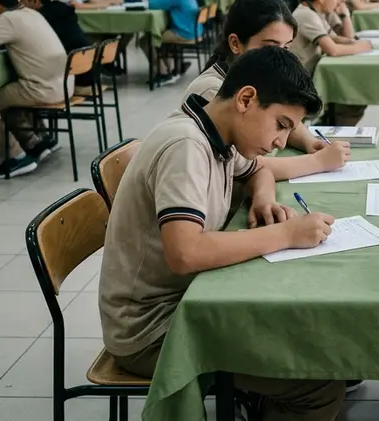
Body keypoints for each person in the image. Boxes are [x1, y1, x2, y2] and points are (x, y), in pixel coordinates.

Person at [98, 46, 346, 420]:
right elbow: (186, 253)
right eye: (280, 125)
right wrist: (287, 234)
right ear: (246, 98)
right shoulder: (186, 146)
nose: (281, 142)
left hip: (190, 303)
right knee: (317, 381)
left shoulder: (220, 131)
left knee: (316, 337)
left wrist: (263, 201)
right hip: (152, 331)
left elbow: (258, 169)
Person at [184, 0, 351, 178]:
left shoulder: (257, 77)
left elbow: (282, 116)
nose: (279, 57)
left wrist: (308, 141)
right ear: (235, 43)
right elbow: (246, 167)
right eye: (270, 46)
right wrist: (319, 162)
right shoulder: (213, 91)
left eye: (286, 48)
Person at [0, 0, 66, 179]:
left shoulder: (8, 19)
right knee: (3, 93)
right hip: (61, 84)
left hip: (41, 89)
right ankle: (33, 142)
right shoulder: (31, 13)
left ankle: (15, 157)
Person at [290, 0, 373, 126]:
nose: (339, 0)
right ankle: (333, 129)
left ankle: (333, 124)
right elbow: (333, 49)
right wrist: (362, 46)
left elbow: (336, 38)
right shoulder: (306, 15)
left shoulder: (316, 13)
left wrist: (346, 18)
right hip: (302, 81)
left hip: (314, 73)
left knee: (355, 92)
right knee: (353, 93)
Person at [15, 0, 97, 97]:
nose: (20, 5)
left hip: (72, 82)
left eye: (22, 0)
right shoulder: (63, 10)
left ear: (35, 0)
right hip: (89, 77)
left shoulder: (39, 19)